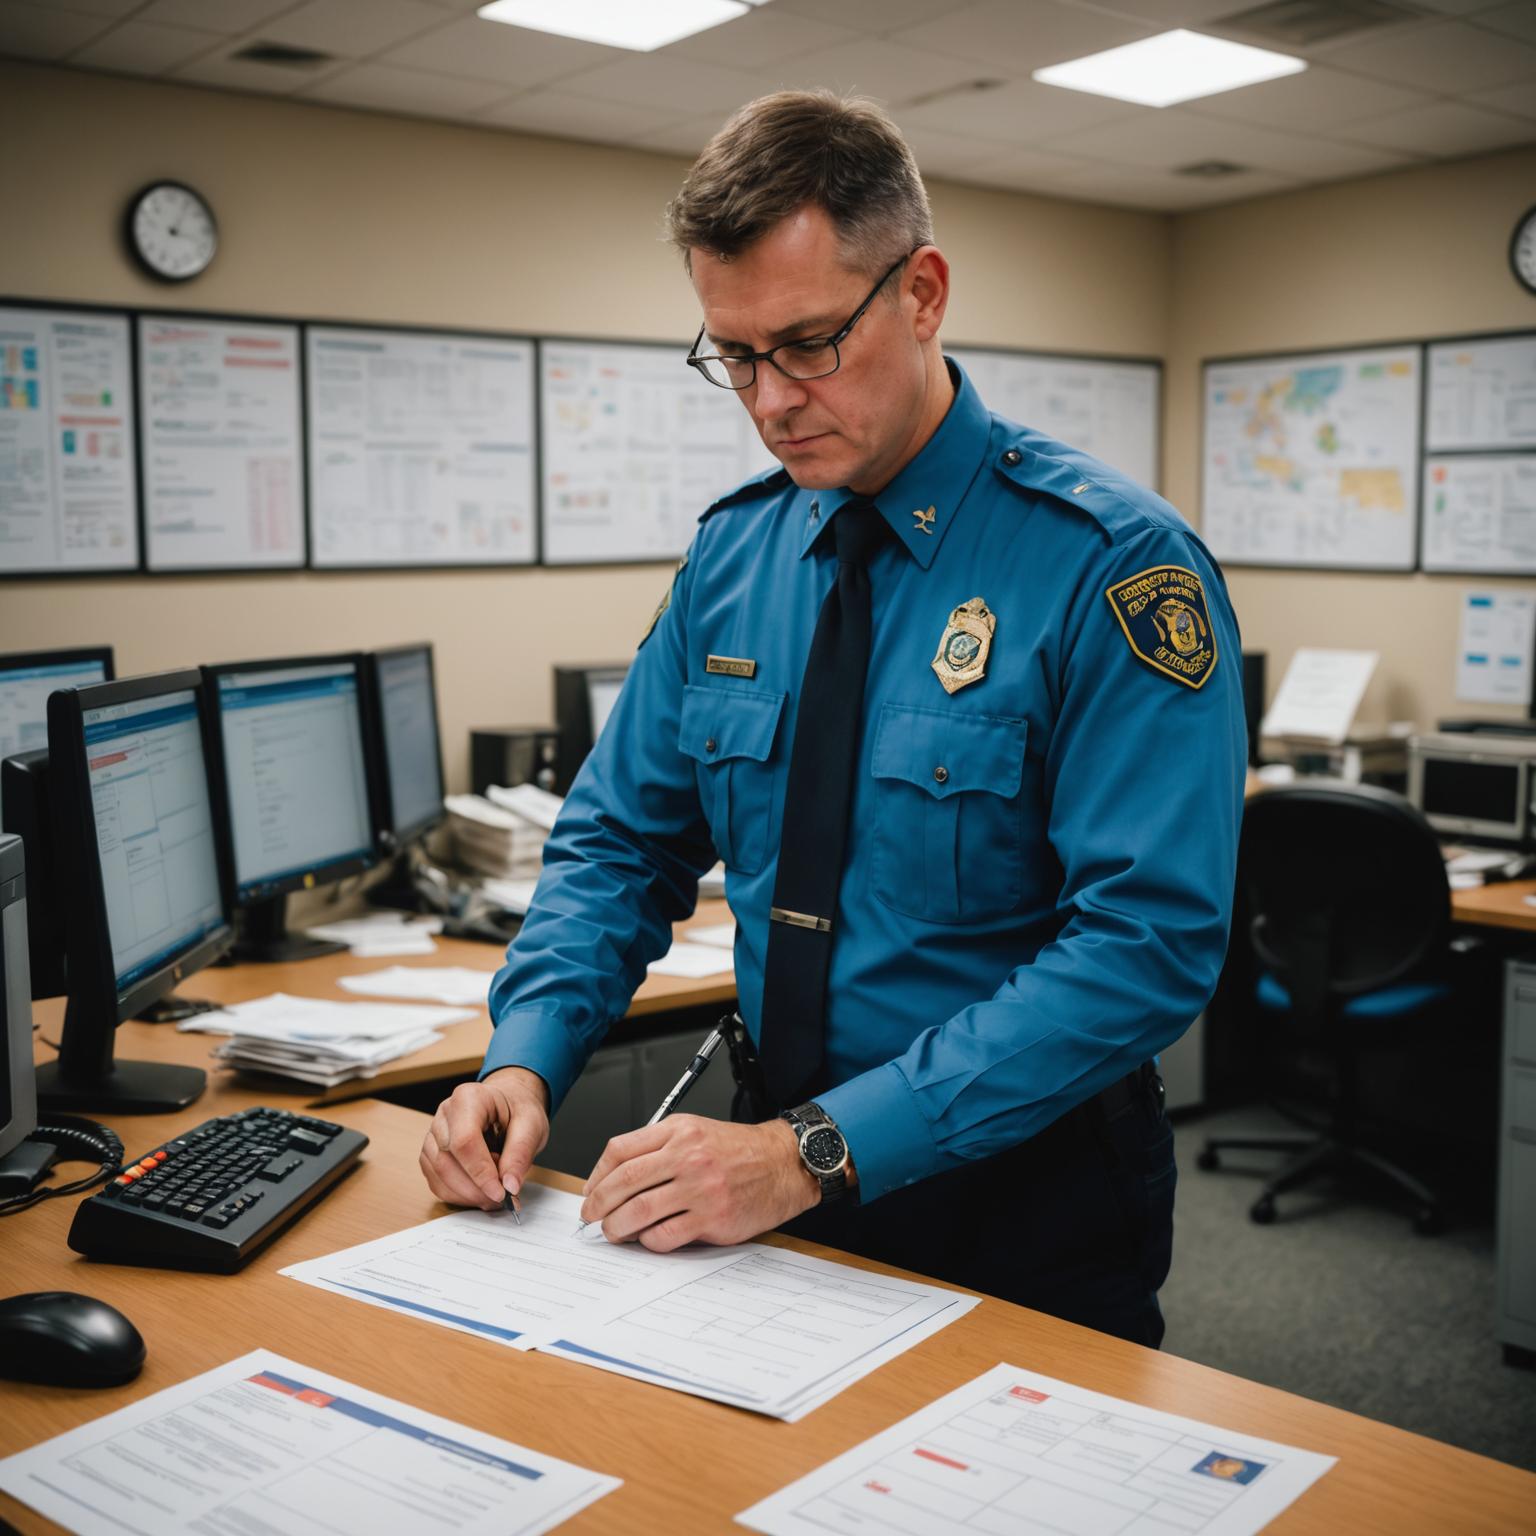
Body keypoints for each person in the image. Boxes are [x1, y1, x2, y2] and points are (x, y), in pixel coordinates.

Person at [420, 90, 1247, 1347]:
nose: (769, 399)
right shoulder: (734, 557)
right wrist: (522, 1058)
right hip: (760, 1172)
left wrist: (812, 1152)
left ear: (921, 293)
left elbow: (1144, 948)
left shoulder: (1110, 566)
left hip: (1021, 1186)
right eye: (733, 355)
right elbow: (619, 844)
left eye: (808, 343)